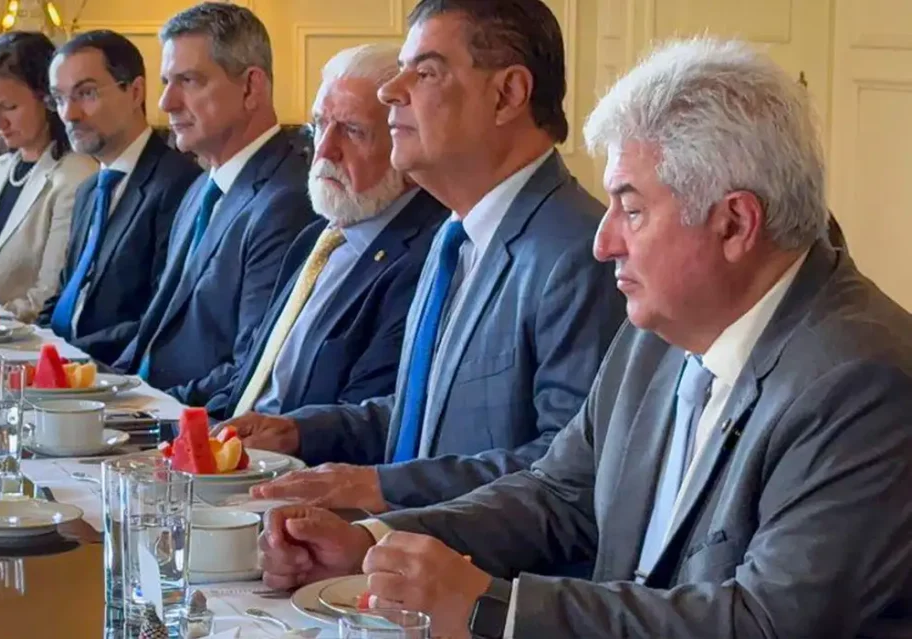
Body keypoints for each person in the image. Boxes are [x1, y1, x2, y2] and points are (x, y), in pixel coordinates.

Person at [259, 37, 912, 639]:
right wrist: (374, 543)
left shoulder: (863, 380)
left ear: (735, 223)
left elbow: (767, 622)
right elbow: (558, 494)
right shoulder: (658, 332)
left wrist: (495, 609)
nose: (604, 241)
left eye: (631, 208)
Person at [230, 0, 624, 512]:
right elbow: (428, 410)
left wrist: (382, 487)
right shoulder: (454, 236)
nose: (391, 91)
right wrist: (302, 431)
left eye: (425, 72)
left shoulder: (578, 251)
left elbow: (567, 473)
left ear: (507, 94)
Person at [178, 43, 447, 418]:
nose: (324, 150)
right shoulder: (316, 238)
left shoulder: (424, 259)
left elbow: (367, 420)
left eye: (353, 131)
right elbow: (253, 379)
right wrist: (163, 419)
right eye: (320, 125)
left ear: (405, 144)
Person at [112, 2, 314, 395]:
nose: (166, 102)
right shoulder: (200, 188)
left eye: (188, 81)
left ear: (251, 87)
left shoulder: (287, 202)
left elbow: (249, 371)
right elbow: (155, 331)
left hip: (191, 421)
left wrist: (138, 410)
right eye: (166, 82)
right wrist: (104, 389)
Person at [37, 30, 200, 365]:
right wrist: (33, 343)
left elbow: (158, 319)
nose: (69, 114)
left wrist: (66, 356)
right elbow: (66, 296)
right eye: (59, 98)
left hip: (114, 376)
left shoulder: (178, 184)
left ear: (135, 92)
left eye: (86, 93)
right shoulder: (88, 191)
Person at [0, 32, 97, 323]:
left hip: (15, 337)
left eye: (9, 108)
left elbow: (46, 298)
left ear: (48, 100)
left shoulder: (77, 176)